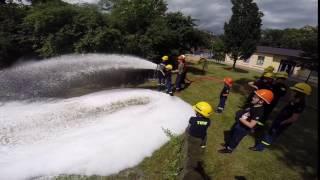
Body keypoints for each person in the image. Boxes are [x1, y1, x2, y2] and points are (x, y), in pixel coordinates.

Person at [249, 82, 311, 152]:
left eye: (295, 91)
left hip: (283, 122)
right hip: (280, 119)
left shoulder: (300, 104)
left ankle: (260, 148)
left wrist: (283, 122)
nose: (292, 92)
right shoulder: (295, 99)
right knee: (270, 132)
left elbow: (294, 118)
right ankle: (261, 145)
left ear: (299, 93)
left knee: (271, 135)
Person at [218, 89, 274, 153]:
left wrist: (240, 118)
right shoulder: (252, 105)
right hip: (239, 124)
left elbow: (251, 125)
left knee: (236, 138)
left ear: (261, 101)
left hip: (243, 129)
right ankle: (227, 144)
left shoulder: (259, 111)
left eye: (255, 97)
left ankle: (229, 149)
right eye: (254, 96)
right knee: (232, 134)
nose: (253, 98)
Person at [181, 101, 213, 179]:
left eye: (196, 110)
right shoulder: (208, 121)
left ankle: (188, 167)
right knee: (197, 149)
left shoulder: (193, 119)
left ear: (199, 112)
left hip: (191, 138)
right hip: (200, 138)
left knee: (190, 152)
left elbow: (189, 127)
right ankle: (200, 150)